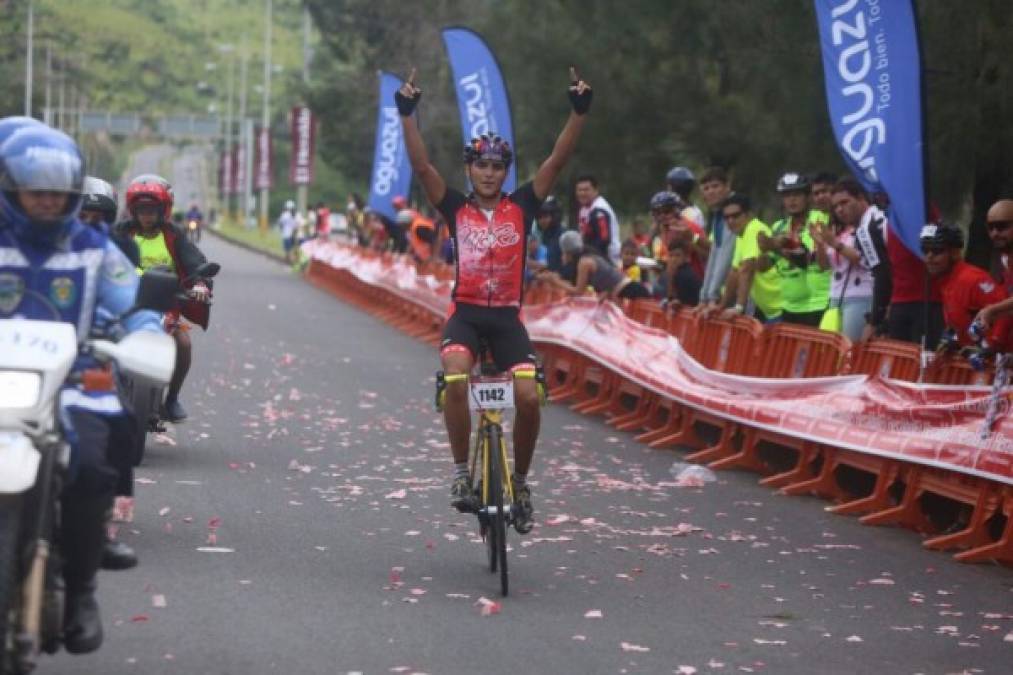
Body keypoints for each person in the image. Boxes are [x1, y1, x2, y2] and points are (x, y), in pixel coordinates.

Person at [396, 64, 591, 534]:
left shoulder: (522, 205)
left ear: (506, 172)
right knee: (457, 375)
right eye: (480, 165)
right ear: (470, 169)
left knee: (527, 397)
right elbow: (422, 167)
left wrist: (579, 112)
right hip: (464, 315)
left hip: (507, 320)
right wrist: (407, 114)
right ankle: (462, 475)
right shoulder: (454, 206)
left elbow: (556, 162)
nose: (487, 172)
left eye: (496, 166)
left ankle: (520, 482)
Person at [0, 124, 163, 653]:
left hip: (73, 383)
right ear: (10, 187)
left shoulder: (97, 252)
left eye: (56, 190)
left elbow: (134, 307)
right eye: (34, 188)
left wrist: (143, 335)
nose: (46, 200)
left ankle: (82, 594)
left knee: (93, 465)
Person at [120, 174, 214, 423]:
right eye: (141, 210)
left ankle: (171, 398)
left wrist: (200, 284)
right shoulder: (121, 233)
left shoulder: (174, 235)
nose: (146, 215)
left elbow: (195, 264)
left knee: (183, 344)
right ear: (133, 211)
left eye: (152, 210)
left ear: (164, 210)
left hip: (165, 304)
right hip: (126, 302)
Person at [921, 222, 1011, 352]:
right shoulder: (946, 281)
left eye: (937, 250)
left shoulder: (971, 279)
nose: (929, 257)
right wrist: (954, 340)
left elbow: (1006, 313)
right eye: (925, 250)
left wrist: (990, 346)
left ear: (954, 253)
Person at [761, 173, 831, 326]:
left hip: (820, 303)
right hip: (789, 307)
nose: (792, 200)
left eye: (797, 194)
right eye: (787, 195)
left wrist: (778, 247)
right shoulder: (778, 227)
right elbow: (766, 266)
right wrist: (761, 249)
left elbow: (806, 261)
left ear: (807, 197)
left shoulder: (821, 219)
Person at [811, 204, 874, 341]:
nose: (840, 210)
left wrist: (834, 243)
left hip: (859, 296)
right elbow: (823, 266)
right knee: (831, 349)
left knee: (850, 347)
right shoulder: (833, 231)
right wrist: (821, 244)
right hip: (835, 297)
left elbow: (860, 258)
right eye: (836, 207)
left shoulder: (862, 229)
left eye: (844, 204)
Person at [719, 194, 782, 322]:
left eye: (735, 216)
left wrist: (738, 307)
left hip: (782, 307)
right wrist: (721, 306)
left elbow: (747, 268)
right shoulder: (740, 235)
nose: (730, 221)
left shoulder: (753, 229)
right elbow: (735, 272)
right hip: (771, 311)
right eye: (726, 217)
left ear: (748, 214)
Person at [540, 230, 651, 300]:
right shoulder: (588, 257)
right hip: (627, 292)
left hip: (632, 291)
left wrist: (555, 281)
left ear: (568, 252)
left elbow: (578, 291)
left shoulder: (585, 262)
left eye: (563, 252)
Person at [697, 167, 736, 314]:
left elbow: (726, 256)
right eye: (706, 188)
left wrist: (711, 297)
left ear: (727, 187)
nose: (711, 192)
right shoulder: (718, 215)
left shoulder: (733, 214)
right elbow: (715, 255)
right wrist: (704, 298)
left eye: (715, 186)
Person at [975, 199, 1013, 328]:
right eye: (990, 227)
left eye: (1002, 226)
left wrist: (992, 310)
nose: (995, 233)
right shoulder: (1005, 259)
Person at [575, 174, 620, 265]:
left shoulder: (600, 211)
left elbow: (604, 240)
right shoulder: (585, 208)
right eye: (580, 190)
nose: (582, 193)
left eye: (586, 190)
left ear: (596, 191)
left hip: (607, 259)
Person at [533, 196, 565, 273]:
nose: (542, 221)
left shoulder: (562, 235)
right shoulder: (543, 235)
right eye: (539, 218)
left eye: (545, 217)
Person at [278, 199, 298, 264]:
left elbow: (280, 224)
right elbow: (296, 226)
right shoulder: (295, 215)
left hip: (286, 235)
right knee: (292, 248)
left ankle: (289, 260)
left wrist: (281, 229)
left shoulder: (284, 215)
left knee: (287, 249)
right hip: (293, 235)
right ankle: (290, 260)